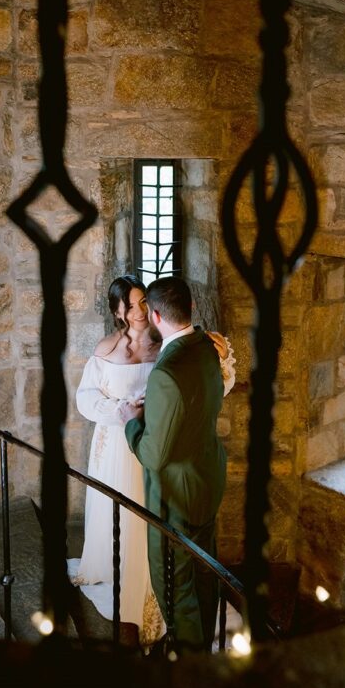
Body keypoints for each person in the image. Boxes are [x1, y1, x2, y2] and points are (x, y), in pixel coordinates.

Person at [67, 274, 234, 649]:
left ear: (156, 312)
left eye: (144, 303)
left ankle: (184, 639)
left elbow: (187, 398)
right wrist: (123, 411)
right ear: (117, 311)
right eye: (130, 305)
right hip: (122, 450)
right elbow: (86, 399)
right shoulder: (109, 349)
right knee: (131, 522)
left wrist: (144, 416)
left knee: (168, 547)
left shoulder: (171, 351)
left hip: (156, 453)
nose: (139, 311)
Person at [123, 276, 228, 653]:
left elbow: (153, 454)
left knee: (173, 580)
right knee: (205, 569)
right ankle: (203, 641)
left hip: (176, 493)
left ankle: (190, 658)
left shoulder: (165, 373)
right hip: (208, 477)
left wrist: (131, 422)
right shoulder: (208, 346)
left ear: (153, 315)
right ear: (191, 309)